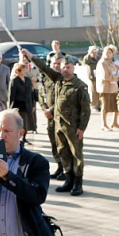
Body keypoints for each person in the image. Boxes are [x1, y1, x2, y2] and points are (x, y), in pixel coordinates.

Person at [25, 49, 91, 196]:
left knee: (76, 155)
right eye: (63, 67)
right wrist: (31, 57)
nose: (65, 70)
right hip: (59, 125)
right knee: (63, 152)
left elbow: (86, 110)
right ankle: (68, 180)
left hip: (73, 127)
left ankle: (78, 183)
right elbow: (44, 68)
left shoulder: (80, 86)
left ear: (73, 68)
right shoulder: (58, 79)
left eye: (68, 67)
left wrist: (82, 128)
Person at [39, 55, 66, 180]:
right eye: (55, 63)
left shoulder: (64, 79)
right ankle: (59, 166)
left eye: (59, 63)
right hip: (50, 117)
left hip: (61, 118)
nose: (57, 66)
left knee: (62, 144)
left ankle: (66, 169)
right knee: (54, 143)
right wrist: (44, 108)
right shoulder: (46, 78)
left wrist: (52, 110)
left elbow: (63, 100)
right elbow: (41, 93)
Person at [96, 44, 119, 130]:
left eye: (110, 53)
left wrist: (116, 76)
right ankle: (103, 124)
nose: (108, 54)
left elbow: (115, 73)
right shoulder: (102, 63)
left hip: (113, 87)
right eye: (106, 52)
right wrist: (114, 78)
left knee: (115, 105)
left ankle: (114, 122)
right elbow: (105, 76)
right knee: (105, 106)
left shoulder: (111, 63)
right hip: (105, 88)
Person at [8, 63, 34, 143]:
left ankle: (24, 138)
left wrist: (33, 104)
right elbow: (11, 95)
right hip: (18, 105)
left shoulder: (28, 80)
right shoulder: (14, 81)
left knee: (27, 123)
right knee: (20, 123)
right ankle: (18, 138)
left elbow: (31, 93)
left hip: (28, 104)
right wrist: (10, 107)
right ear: (18, 71)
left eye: (24, 69)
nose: (24, 71)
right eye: (22, 69)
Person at [82, 46, 101, 111]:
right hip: (92, 77)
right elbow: (84, 61)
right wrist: (90, 53)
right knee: (93, 92)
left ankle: (99, 105)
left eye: (95, 52)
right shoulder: (88, 58)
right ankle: (94, 105)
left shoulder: (98, 58)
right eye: (93, 52)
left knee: (99, 92)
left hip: (99, 76)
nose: (95, 53)